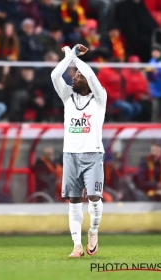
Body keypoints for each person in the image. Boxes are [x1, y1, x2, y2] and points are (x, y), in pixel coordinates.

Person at [50, 44, 106, 258]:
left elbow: (91, 74)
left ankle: (93, 231)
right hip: (70, 154)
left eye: (78, 75)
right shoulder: (68, 97)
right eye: (74, 74)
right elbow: (55, 75)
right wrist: (70, 56)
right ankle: (76, 245)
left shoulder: (99, 98)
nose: (74, 76)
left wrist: (74, 57)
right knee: (74, 200)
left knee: (93, 197)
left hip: (93, 154)